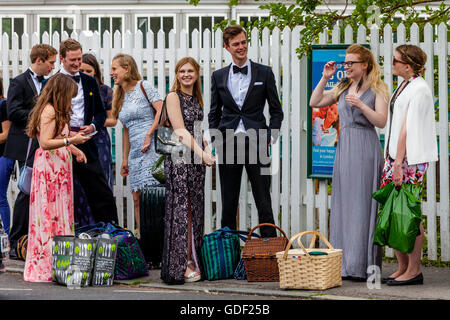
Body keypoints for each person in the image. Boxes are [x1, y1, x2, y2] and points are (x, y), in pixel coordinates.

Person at [309, 44, 390, 280]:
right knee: (345, 203)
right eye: (345, 63)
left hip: (366, 147)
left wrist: (361, 105)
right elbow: (315, 101)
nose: (347, 66)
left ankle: (362, 265)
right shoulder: (343, 85)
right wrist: (325, 78)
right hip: (345, 148)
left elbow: (381, 121)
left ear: (365, 64)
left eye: (351, 63)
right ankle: (344, 264)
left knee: (363, 204)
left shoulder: (379, 88)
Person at [208, 25, 284, 238]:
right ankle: (227, 253)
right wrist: (216, 140)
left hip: (257, 141)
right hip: (228, 142)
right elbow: (213, 112)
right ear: (227, 47)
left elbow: (277, 112)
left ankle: (268, 253)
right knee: (229, 202)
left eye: (243, 42)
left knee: (263, 200)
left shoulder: (264, 72)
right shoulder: (219, 76)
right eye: (236, 44)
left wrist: (271, 136)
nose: (241, 47)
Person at [23, 73, 90, 282]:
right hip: (49, 169)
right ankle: (45, 264)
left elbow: (60, 139)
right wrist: (72, 139)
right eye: (69, 95)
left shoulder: (58, 111)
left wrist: (75, 149)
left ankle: (60, 262)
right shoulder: (49, 111)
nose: (71, 100)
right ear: (61, 92)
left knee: (60, 214)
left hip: (59, 168)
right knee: (49, 214)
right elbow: (44, 142)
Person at [380, 45, 438, 286]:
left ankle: (413, 270)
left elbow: (408, 127)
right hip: (395, 158)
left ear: (408, 65)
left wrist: (399, 164)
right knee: (394, 211)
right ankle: (402, 267)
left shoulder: (420, 89)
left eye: (395, 61)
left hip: (408, 161)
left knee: (410, 215)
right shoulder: (405, 85)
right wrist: (390, 158)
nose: (391, 64)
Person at [161, 57, 215, 284]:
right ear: (176, 74)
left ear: (196, 74)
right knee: (181, 212)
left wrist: (207, 148)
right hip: (179, 161)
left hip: (195, 163)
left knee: (194, 211)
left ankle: (192, 259)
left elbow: (197, 130)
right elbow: (180, 131)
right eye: (181, 71)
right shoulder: (173, 97)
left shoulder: (195, 99)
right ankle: (180, 265)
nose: (186, 74)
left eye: (190, 71)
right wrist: (202, 154)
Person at [4, 44, 58, 260]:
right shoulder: (18, 82)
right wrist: (40, 114)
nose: (53, 67)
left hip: (42, 143)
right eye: (51, 63)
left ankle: (35, 237)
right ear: (39, 60)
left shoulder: (49, 83)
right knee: (25, 191)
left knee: (39, 192)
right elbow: (13, 111)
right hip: (23, 144)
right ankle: (17, 239)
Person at [58, 38, 118, 226]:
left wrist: (92, 127)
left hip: (86, 142)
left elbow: (101, 114)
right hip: (60, 145)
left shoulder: (90, 82)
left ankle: (110, 233)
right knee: (62, 193)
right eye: (72, 60)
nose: (76, 63)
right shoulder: (51, 83)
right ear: (62, 58)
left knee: (101, 193)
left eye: (78, 59)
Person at [110, 54, 163, 237]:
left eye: (115, 69)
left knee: (153, 197)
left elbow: (162, 110)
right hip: (135, 153)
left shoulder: (144, 86)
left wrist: (150, 133)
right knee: (136, 198)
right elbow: (125, 129)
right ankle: (145, 239)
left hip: (152, 149)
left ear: (127, 68)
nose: (112, 73)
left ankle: (160, 240)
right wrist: (124, 158)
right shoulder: (121, 95)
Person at [74, 53, 115, 226]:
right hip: (77, 140)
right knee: (79, 186)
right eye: (82, 70)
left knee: (100, 181)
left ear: (96, 72)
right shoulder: (72, 87)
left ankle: (103, 225)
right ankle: (84, 225)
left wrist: (93, 123)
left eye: (89, 71)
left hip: (99, 140)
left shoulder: (105, 90)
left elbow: (112, 119)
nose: (85, 73)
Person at [0, 78, 14, 236]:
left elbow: (6, 134)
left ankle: (6, 237)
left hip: (3, 155)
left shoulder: (3, 104)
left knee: (0, 197)